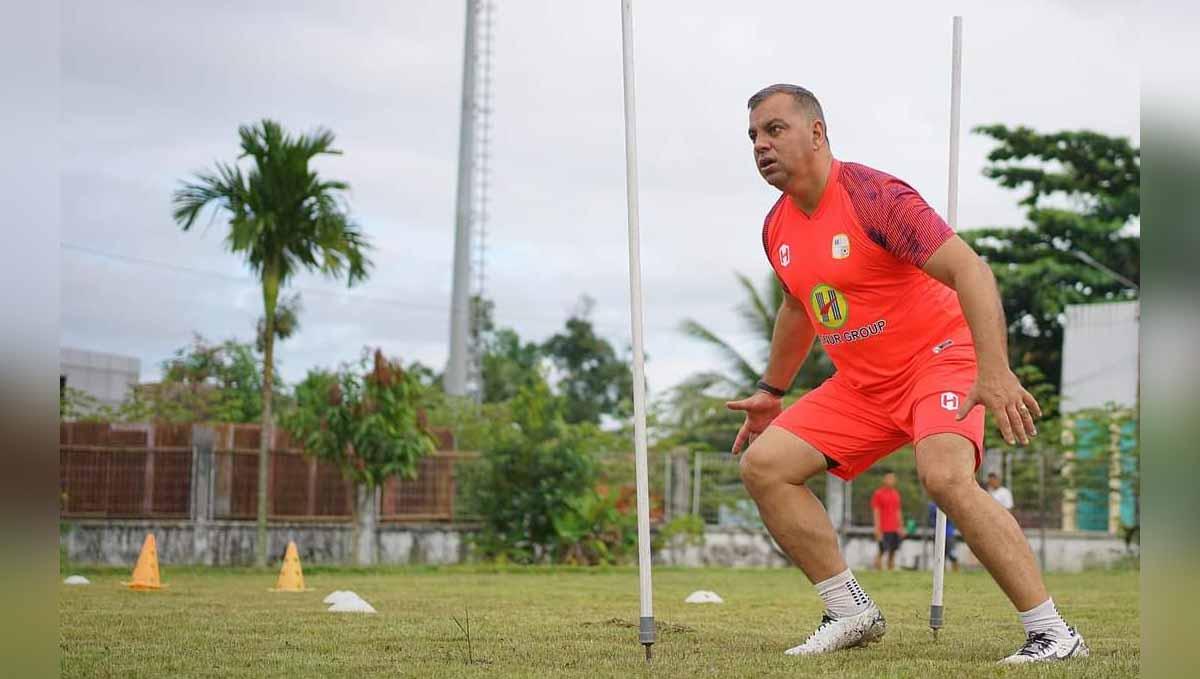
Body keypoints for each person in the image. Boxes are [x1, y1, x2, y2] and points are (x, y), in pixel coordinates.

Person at [726, 84, 1087, 663]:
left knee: (944, 476)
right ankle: (850, 612)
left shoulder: (874, 197)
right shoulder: (777, 228)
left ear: (816, 133)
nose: (761, 146)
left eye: (775, 130)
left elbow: (972, 270)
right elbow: (798, 306)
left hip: (940, 358)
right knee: (765, 467)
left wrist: (994, 370)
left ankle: (1054, 634)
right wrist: (772, 392)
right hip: (864, 384)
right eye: (753, 137)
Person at [870, 471, 905, 571]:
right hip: (884, 528)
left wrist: (901, 527)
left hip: (895, 528)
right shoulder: (878, 494)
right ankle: (878, 571)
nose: (891, 480)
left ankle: (890, 570)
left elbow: (898, 511)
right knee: (882, 550)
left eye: (892, 478)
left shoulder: (896, 494)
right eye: (889, 478)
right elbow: (876, 512)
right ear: (884, 479)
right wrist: (877, 528)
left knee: (893, 551)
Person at [928, 501, 960, 572]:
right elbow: (931, 519)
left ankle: (956, 571)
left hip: (949, 534)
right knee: (940, 556)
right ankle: (942, 571)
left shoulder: (949, 502)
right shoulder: (932, 505)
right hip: (937, 533)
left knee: (952, 554)